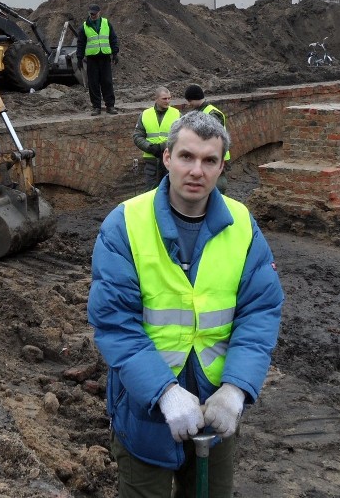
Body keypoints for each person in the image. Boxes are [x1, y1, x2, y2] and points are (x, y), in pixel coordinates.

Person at [88, 110, 284, 498]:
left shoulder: (242, 225)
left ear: (221, 165)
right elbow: (115, 322)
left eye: (209, 160)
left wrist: (237, 388)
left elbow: (259, 311)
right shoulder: (125, 224)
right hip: (145, 409)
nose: (197, 170)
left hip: (217, 410)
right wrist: (164, 392)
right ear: (166, 158)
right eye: (186, 157)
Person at [184, 84, 230, 194]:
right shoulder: (200, 111)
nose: (188, 104)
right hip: (205, 153)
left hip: (214, 154)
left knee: (217, 185)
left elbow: (212, 137)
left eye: (189, 100)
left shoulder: (212, 113)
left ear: (194, 98)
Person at [133, 86, 180, 192]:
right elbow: (137, 136)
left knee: (171, 192)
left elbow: (182, 136)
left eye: (169, 98)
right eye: (164, 99)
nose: (167, 101)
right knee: (151, 193)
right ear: (156, 99)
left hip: (170, 161)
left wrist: (163, 146)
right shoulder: (145, 115)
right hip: (151, 161)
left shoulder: (177, 114)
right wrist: (149, 147)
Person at [76, 2, 119, 116]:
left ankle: (110, 106)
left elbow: (113, 38)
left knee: (107, 82)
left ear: (99, 13)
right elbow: (80, 43)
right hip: (92, 59)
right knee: (93, 84)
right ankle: (96, 107)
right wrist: (79, 58)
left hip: (105, 58)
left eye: (94, 13)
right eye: (91, 14)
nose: (93, 15)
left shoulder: (106, 23)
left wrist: (115, 53)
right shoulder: (84, 26)